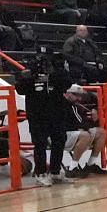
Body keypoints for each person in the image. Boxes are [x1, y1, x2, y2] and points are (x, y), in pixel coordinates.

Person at [15, 50, 73, 187]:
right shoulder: (30, 73)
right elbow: (20, 89)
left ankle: (55, 171)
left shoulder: (57, 73)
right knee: (40, 143)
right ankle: (40, 173)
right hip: (37, 114)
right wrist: (31, 76)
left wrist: (56, 72)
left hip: (56, 112)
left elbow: (67, 84)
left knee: (59, 140)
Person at [62, 84, 107, 178]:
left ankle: (90, 165)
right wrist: (86, 127)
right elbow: (79, 122)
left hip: (73, 132)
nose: (79, 98)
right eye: (76, 95)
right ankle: (72, 168)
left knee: (102, 133)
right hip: (61, 135)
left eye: (80, 96)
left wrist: (96, 109)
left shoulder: (75, 105)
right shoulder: (65, 105)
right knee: (85, 135)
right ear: (68, 94)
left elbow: (81, 121)